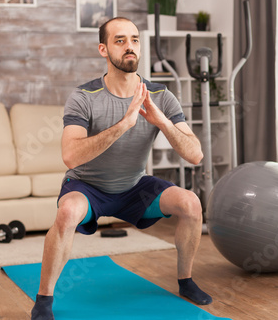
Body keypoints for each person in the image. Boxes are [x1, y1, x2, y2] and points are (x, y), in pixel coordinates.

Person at [31, 17, 212, 320]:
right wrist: (125, 124)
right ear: (103, 49)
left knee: (191, 204)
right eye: (120, 40)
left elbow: (196, 155)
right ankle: (44, 300)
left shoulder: (161, 96)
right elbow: (71, 156)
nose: (130, 47)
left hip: (134, 187)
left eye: (135, 40)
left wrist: (162, 122)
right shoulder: (83, 96)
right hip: (88, 187)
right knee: (66, 213)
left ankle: (186, 281)